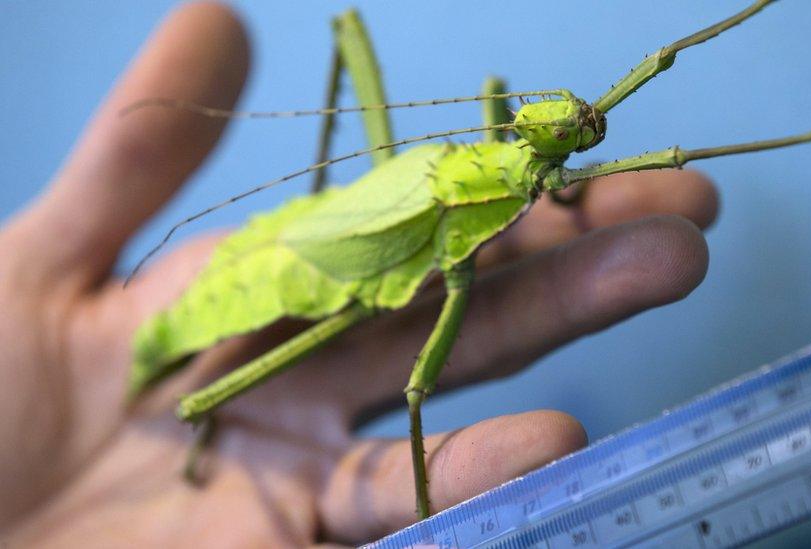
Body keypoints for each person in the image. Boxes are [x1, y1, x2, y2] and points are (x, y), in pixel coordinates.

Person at [0, 3, 717, 546]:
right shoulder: (467, 230)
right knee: (197, 403)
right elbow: (417, 393)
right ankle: (194, 426)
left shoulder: (494, 155)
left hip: (304, 234)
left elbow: (647, 65)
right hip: (300, 266)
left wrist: (558, 183)